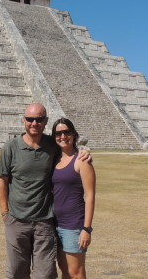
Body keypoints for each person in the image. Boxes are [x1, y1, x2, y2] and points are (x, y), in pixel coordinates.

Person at [0, 103, 89, 279]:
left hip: (45, 221)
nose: (34, 123)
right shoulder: (11, 147)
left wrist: (84, 151)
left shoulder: (51, 145)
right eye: (30, 119)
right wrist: (4, 213)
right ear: (23, 120)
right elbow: (2, 180)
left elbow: (69, 150)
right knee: (16, 272)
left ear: (45, 121)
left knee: (45, 274)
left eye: (39, 119)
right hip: (16, 220)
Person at [51, 118, 96, 279]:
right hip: (54, 224)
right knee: (64, 270)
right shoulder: (53, 159)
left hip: (73, 225)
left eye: (66, 132)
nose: (62, 136)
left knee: (76, 273)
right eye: (58, 133)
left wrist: (86, 229)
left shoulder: (82, 161)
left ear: (74, 135)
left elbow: (90, 196)